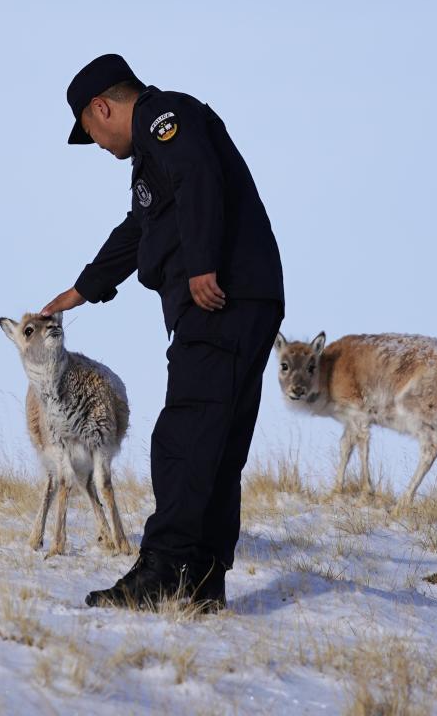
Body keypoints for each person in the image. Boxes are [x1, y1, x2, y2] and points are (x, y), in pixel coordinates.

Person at [40, 53, 284, 612]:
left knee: (183, 437)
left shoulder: (163, 117)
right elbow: (138, 230)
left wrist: (201, 263)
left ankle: (160, 572)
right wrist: (80, 290)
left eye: (90, 131)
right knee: (215, 445)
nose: (97, 144)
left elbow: (198, 175)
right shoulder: (156, 156)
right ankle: (202, 583)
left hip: (217, 300)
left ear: (101, 108)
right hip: (246, 299)